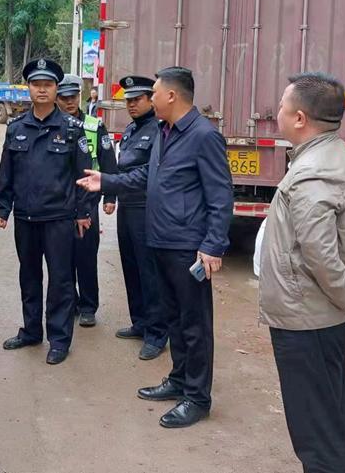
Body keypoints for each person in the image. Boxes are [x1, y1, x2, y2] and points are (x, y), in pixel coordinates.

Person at [78, 66, 232, 428]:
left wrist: (213, 245)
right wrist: (107, 181)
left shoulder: (203, 136)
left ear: (172, 96)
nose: (152, 98)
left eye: (156, 92)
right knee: (174, 319)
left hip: (187, 246)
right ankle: (179, 380)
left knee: (194, 324)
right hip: (161, 240)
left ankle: (197, 397)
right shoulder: (165, 132)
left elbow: (221, 195)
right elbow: (148, 175)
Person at [258, 72, 345, 473]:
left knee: (317, 435)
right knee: (328, 420)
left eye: (282, 105)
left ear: (299, 119)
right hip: (317, 317)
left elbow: (320, 255)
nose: (277, 111)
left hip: (309, 321)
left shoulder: (314, 172)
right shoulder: (332, 153)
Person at [0, 58, 94, 365]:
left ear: (55, 90)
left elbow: (83, 175)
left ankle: (59, 340)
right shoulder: (16, 128)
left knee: (61, 280)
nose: (41, 90)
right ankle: (31, 331)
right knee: (29, 276)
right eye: (36, 84)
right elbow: (6, 171)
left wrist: (83, 212)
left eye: (48, 85)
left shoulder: (72, 129)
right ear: (28, 88)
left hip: (59, 218)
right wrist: (3, 208)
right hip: (25, 217)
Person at [112, 75, 168, 360]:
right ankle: (140, 322)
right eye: (128, 101)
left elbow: (150, 172)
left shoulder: (159, 130)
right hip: (126, 207)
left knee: (149, 273)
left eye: (137, 100)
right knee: (131, 267)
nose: (131, 105)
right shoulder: (132, 129)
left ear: (150, 100)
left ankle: (156, 334)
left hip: (146, 210)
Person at [56, 74, 117, 328]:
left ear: (79, 97)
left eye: (73, 97)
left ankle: (88, 306)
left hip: (87, 201)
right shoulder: (52, 124)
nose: (69, 102)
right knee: (62, 258)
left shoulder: (93, 125)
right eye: (64, 98)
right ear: (57, 98)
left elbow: (108, 161)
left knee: (85, 256)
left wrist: (110, 196)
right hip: (59, 202)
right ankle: (70, 302)